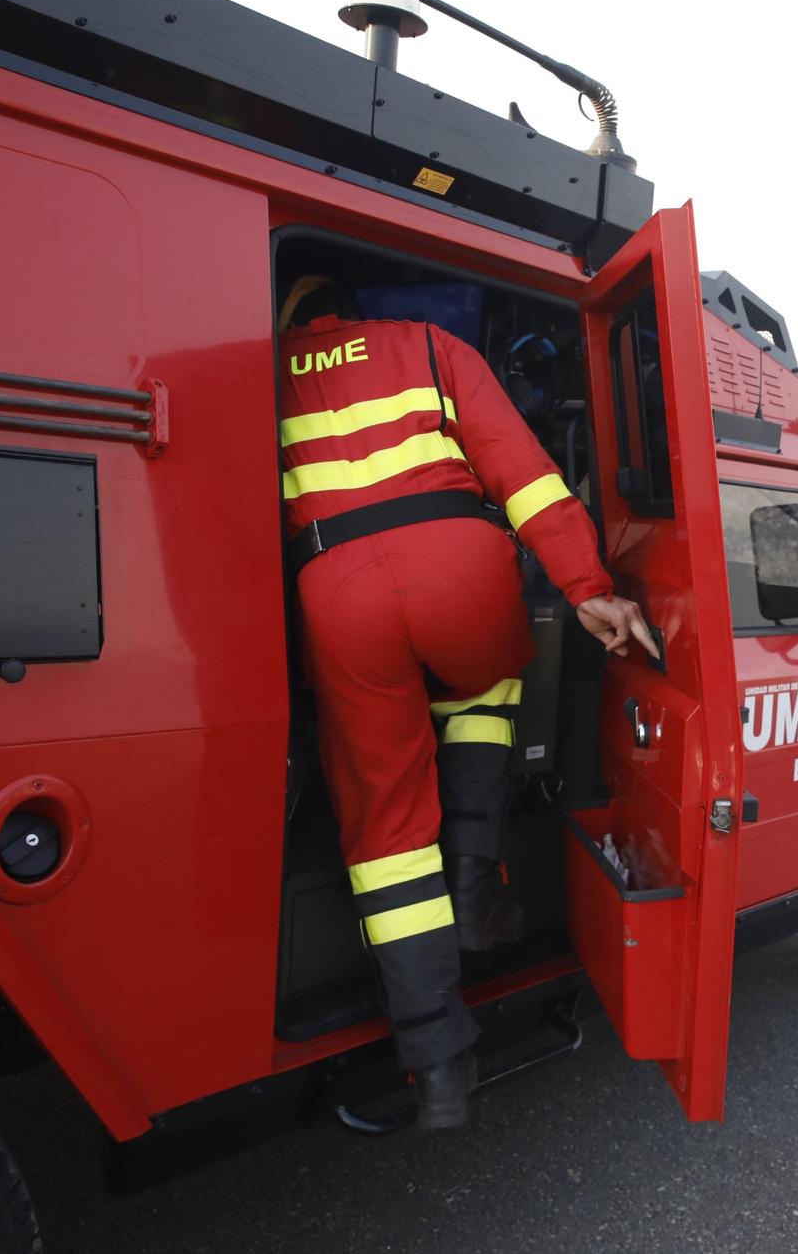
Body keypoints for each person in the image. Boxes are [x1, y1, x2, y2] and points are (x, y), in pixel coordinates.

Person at [276, 275, 657, 1127]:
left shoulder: (261, 371)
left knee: (384, 829)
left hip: (335, 590)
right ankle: (479, 882)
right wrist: (588, 586)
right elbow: (524, 474)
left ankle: (440, 1064)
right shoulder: (424, 343)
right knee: (486, 677)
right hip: (461, 566)